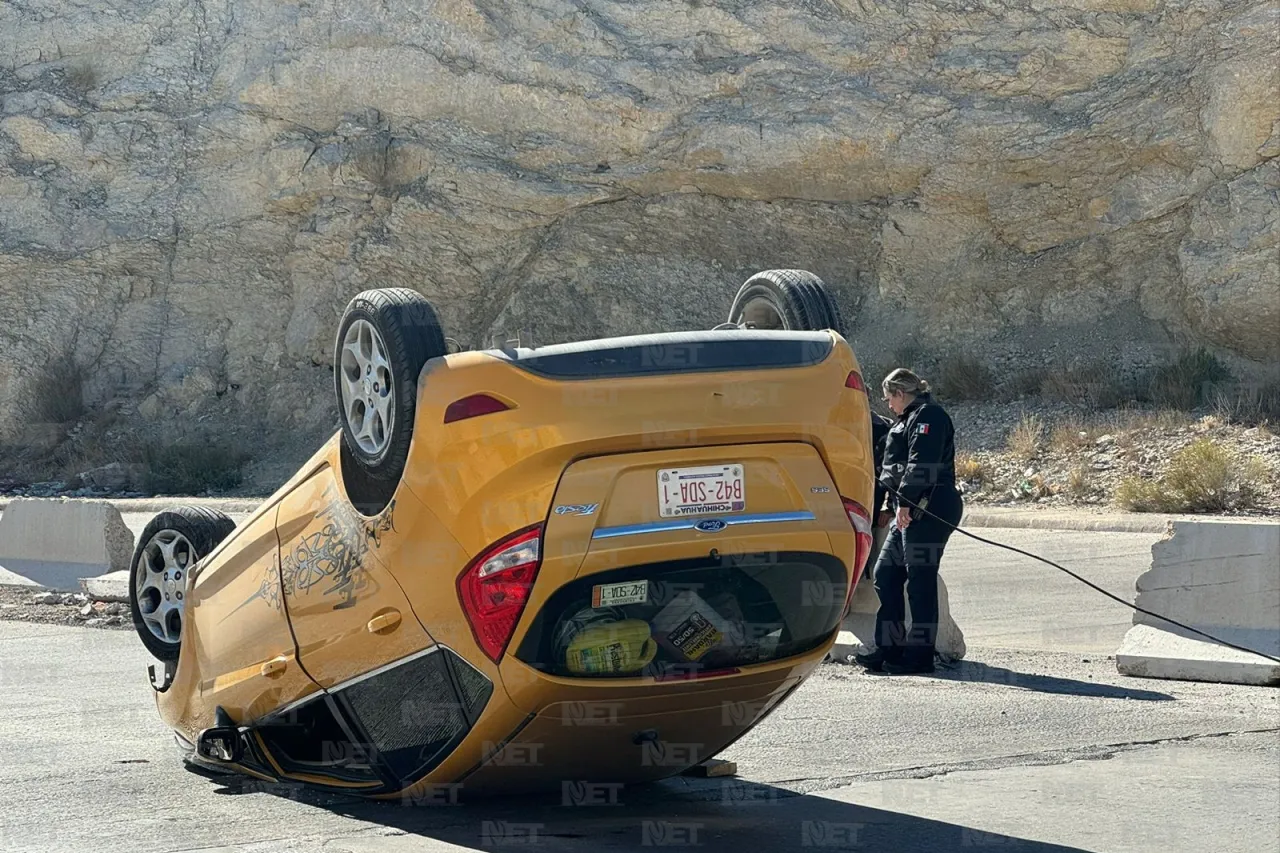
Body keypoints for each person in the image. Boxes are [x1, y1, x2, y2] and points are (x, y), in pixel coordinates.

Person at [855, 368, 963, 675]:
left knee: (920, 581)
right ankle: (889, 648)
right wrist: (892, 504)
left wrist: (905, 502)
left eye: (890, 398)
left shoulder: (930, 417)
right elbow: (895, 467)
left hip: (929, 507)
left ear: (901, 394)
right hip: (909, 507)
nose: (888, 405)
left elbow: (921, 464)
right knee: (886, 574)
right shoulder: (907, 419)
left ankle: (919, 657)